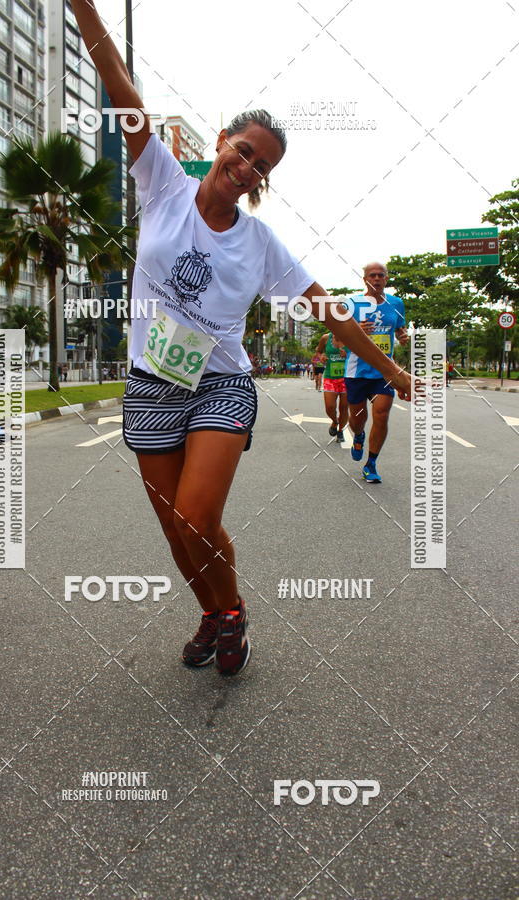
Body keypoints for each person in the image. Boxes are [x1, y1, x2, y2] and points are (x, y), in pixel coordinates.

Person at [71, 0, 411, 675]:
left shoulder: (259, 243)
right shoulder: (162, 182)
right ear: (223, 140)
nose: (249, 168)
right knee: (174, 528)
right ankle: (219, 615)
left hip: (221, 384)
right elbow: (117, 80)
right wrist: (83, 6)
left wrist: (395, 373)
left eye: (262, 167)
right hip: (151, 386)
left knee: (196, 515)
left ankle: (229, 614)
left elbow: (331, 314)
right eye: (244, 151)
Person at [344, 262, 409, 483]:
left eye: (381, 275)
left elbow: (399, 325)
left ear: (387, 279)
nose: (377, 279)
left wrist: (402, 335)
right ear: (365, 279)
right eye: (372, 275)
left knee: (382, 413)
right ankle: (359, 436)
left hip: (384, 371)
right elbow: (340, 335)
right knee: (357, 418)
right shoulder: (352, 304)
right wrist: (356, 330)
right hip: (356, 371)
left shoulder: (396, 303)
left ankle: (371, 463)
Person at [322, 333, 348, 442]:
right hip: (330, 377)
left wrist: (348, 355)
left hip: (347, 378)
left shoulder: (351, 337)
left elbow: (361, 354)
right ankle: (335, 421)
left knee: (344, 407)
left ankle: (341, 430)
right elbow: (318, 352)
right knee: (329, 407)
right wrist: (322, 357)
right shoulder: (325, 338)